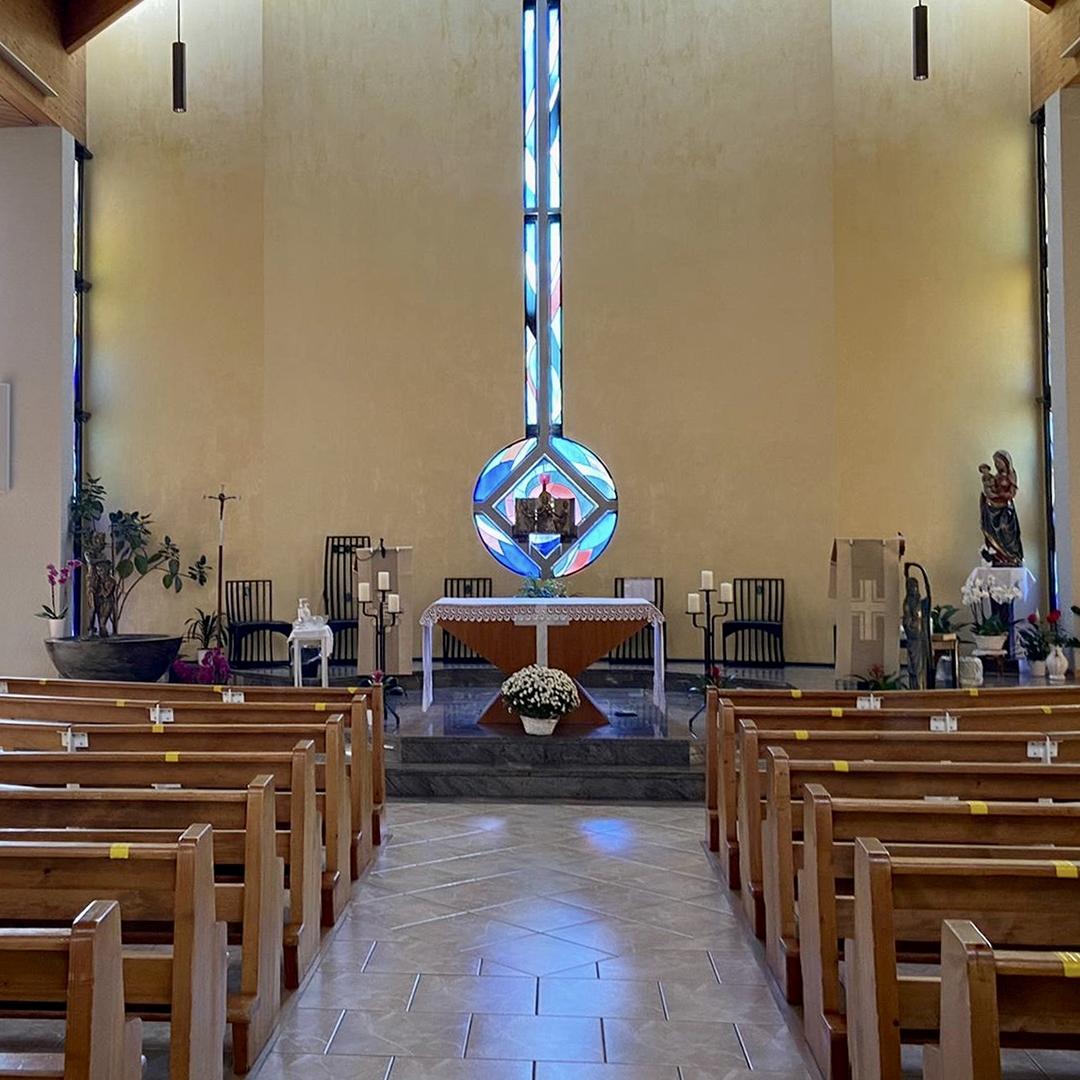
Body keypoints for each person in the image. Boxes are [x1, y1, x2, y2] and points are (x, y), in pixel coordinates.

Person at [980, 450, 1023, 567]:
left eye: (999, 462)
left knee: (1006, 531)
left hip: (1005, 509)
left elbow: (1012, 493)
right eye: (995, 463)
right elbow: (989, 489)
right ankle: (997, 557)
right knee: (991, 531)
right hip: (994, 508)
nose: (997, 465)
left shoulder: (1011, 475)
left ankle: (1011, 557)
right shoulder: (995, 477)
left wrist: (1001, 496)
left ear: (1006, 462)